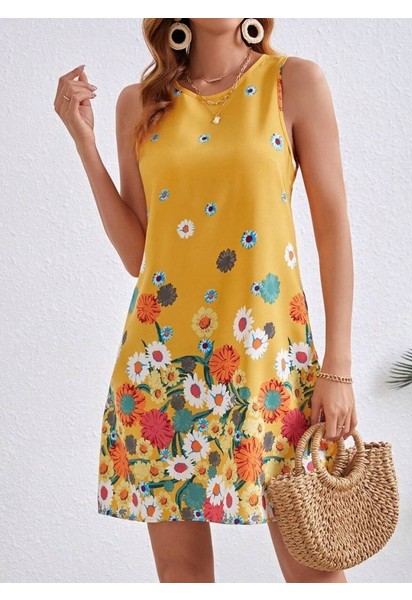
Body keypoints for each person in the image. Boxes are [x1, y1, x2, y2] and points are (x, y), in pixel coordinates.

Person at [54, 18, 357, 584]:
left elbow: (333, 229)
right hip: (162, 366)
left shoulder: (294, 82)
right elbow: (139, 254)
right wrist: (85, 145)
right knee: (182, 574)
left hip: (268, 363)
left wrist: (337, 368)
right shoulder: (139, 103)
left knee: (314, 569)